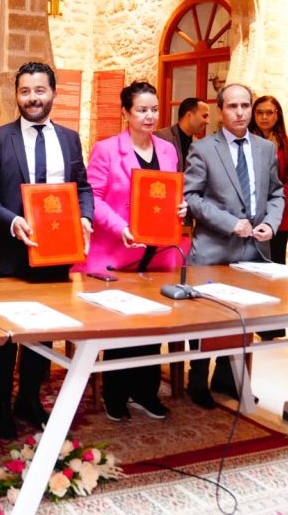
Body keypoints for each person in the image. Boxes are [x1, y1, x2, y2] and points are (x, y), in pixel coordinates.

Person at [0, 61, 94, 439]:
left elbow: (82, 188)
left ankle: (28, 399)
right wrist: (11, 220)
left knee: (42, 334)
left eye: (39, 91)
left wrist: (85, 217)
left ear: (53, 93)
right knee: (7, 338)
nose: (32, 98)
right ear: (16, 95)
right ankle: (0, 407)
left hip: (56, 254)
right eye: (25, 91)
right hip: (11, 254)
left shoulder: (70, 139)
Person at [83, 81, 185, 422]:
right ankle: (115, 395)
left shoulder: (167, 150)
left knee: (152, 325)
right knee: (122, 325)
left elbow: (169, 193)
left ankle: (145, 393)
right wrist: (121, 228)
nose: (149, 116)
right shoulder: (106, 150)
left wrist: (180, 207)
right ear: (125, 113)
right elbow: (93, 198)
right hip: (118, 250)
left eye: (154, 109)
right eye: (141, 110)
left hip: (157, 252)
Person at [183, 83, 284, 408]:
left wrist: (271, 223)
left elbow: (277, 193)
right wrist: (230, 223)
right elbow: (192, 196)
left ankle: (228, 379)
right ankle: (198, 380)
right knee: (207, 320)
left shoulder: (265, 149)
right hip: (214, 249)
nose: (240, 112)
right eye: (232, 106)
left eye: (245, 106)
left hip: (253, 251)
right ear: (220, 110)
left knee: (243, 318)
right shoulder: (203, 149)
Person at [248, 95, 288, 264]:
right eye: (259, 112)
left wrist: (275, 204)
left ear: (277, 115)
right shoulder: (245, 142)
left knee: (276, 263)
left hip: (279, 215)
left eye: (269, 112)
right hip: (250, 213)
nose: (264, 117)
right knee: (249, 264)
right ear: (254, 115)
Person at [154, 97, 210, 171]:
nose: (208, 121)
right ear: (189, 115)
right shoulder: (161, 137)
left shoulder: (198, 144)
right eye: (204, 116)